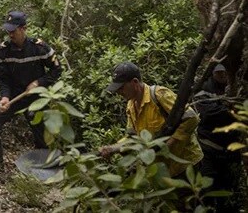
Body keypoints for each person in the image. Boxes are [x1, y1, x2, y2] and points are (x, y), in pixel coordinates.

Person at [99, 62, 203, 178]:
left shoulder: (159, 95)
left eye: (121, 88)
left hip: (186, 164)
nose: (119, 92)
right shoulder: (130, 106)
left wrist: (169, 143)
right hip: (163, 171)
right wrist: (113, 148)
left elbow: (191, 117)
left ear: (134, 82)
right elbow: (133, 137)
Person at [0, 11, 62, 165]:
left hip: (36, 98)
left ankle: (44, 167)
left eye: (13, 31)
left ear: (23, 28)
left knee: (40, 132)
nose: (10, 35)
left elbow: (57, 70)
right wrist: (5, 97)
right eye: (8, 32)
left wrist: (38, 83)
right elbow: (2, 79)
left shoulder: (39, 48)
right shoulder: (2, 51)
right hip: (14, 97)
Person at [194, 64, 244, 212]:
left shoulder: (236, 86)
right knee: (206, 190)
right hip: (208, 149)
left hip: (230, 152)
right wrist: (233, 110)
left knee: (227, 192)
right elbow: (209, 114)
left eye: (225, 72)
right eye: (219, 73)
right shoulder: (203, 88)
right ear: (213, 73)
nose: (223, 76)